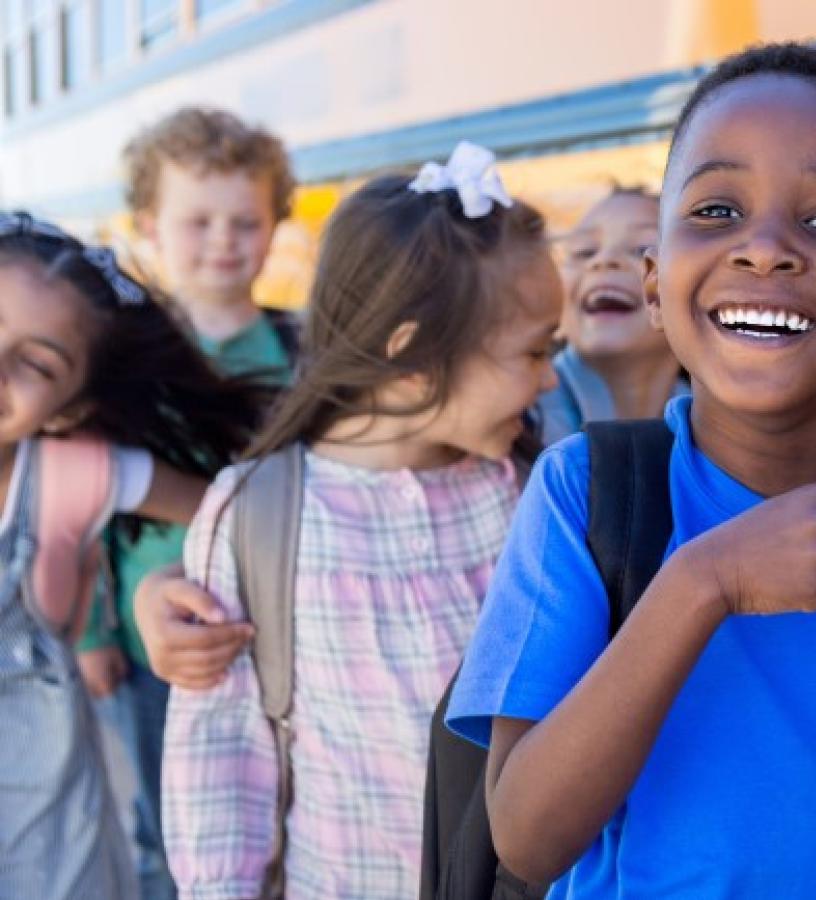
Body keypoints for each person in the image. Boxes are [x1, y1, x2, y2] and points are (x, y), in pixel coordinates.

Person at [446, 43, 816, 898]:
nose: (765, 251)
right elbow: (525, 837)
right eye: (717, 210)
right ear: (656, 286)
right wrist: (709, 579)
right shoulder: (588, 496)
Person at [162, 142, 562, 900]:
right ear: (412, 358)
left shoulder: (531, 495)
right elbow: (222, 765)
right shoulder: (259, 517)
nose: (548, 377)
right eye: (536, 351)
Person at [0, 211, 261, 900]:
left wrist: (161, 586)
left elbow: (237, 509)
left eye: (34, 363)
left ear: (62, 411)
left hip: (40, 810)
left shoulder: (69, 474)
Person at [81, 104, 300, 900]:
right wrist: (94, 633)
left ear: (275, 226)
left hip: (278, 631)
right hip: (151, 651)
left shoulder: (299, 348)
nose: (222, 241)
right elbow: (91, 508)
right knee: (161, 824)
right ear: (148, 224)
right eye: (197, 221)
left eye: (245, 221)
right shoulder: (125, 360)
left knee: (267, 817)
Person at [540, 187, 686, 443]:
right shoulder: (520, 418)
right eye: (584, 251)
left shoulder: (722, 426)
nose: (605, 260)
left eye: (642, 249)